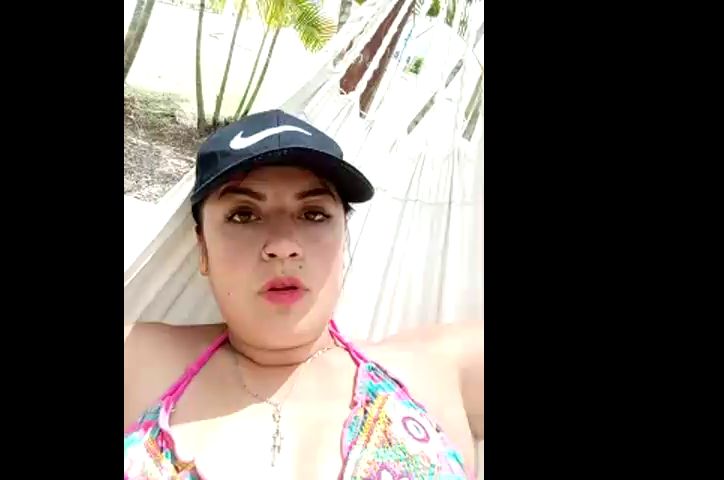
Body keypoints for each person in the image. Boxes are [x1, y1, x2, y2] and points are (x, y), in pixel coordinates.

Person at [124, 110, 484, 479]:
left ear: (344, 239)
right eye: (243, 215)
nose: (283, 246)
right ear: (203, 249)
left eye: (313, 214)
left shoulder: (437, 369)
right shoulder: (136, 361)